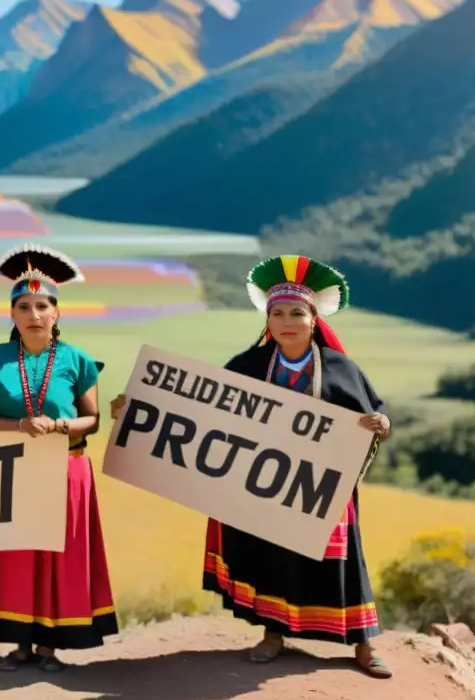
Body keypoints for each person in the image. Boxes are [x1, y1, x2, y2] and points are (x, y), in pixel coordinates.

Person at [110, 255, 392, 678]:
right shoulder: (250, 365)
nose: (286, 321)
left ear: (314, 319)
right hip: (266, 484)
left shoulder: (340, 369)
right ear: (268, 320)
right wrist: (135, 408)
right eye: (277, 313)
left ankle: (363, 642)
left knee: (343, 560)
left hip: (320, 487)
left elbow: (377, 417)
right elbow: (197, 409)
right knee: (270, 557)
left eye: (297, 313)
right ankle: (273, 633)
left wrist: (381, 424)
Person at [0, 244, 118, 671]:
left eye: (43, 305)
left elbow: (93, 420)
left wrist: (59, 426)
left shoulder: (78, 360)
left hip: (68, 469)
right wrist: (20, 428)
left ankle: (51, 644)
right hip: (11, 471)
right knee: (17, 555)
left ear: (57, 313)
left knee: (60, 554)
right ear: (12, 314)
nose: (34, 314)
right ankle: (20, 644)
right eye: (24, 306)